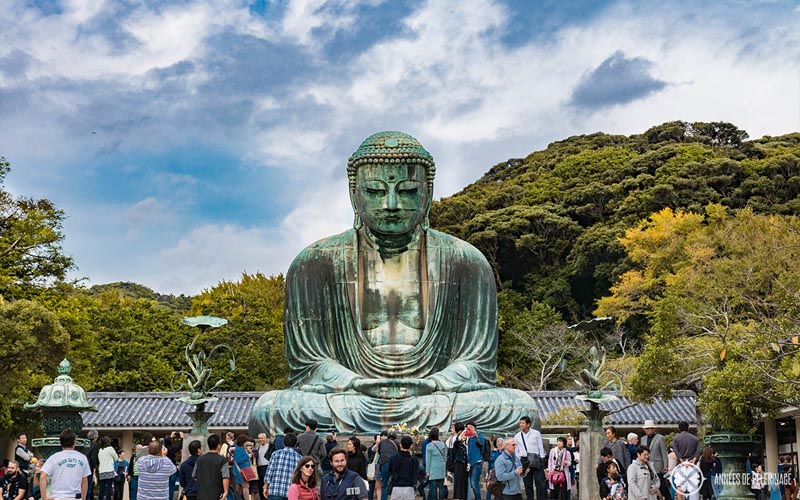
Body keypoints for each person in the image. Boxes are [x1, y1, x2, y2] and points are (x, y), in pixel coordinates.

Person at [247, 131, 539, 434]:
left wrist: (435, 382)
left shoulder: (465, 261)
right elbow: (310, 363)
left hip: (435, 396)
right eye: (374, 190)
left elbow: (476, 361)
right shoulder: (315, 262)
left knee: (516, 407)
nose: (390, 204)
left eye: (407, 191)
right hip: (352, 396)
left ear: (427, 194)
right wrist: (355, 382)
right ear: (353, 194)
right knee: (273, 409)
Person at [40, 429, 91, 500]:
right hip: (75, 496)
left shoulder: (54, 457)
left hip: (57, 497)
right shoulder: (82, 458)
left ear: (60, 442)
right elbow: (84, 480)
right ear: (74, 442)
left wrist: (44, 497)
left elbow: (42, 476)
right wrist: (83, 498)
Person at [514, 416, 546, 500]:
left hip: (536, 459)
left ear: (528, 424)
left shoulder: (536, 433)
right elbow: (516, 451)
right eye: (520, 423)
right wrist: (518, 462)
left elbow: (540, 447)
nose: (521, 424)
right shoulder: (517, 436)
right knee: (527, 484)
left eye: (523, 423)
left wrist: (542, 459)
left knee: (539, 482)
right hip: (524, 460)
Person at [264, 432, 303, 500]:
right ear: (295, 445)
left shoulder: (275, 454)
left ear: (283, 443)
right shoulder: (299, 457)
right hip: (291, 493)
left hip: (274, 491)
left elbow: (269, 472)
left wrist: (265, 486)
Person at [193, 434, 230, 500]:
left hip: (202, 494)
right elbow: (225, 477)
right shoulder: (222, 460)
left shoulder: (199, 459)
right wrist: (225, 491)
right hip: (217, 494)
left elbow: (194, 476)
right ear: (218, 445)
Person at [640, 421, 670, 500]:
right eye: (645, 429)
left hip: (657, 464)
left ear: (653, 429)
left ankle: (668, 497)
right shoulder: (643, 439)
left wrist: (666, 465)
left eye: (648, 428)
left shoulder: (660, 438)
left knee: (661, 483)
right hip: (646, 464)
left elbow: (664, 452)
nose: (647, 430)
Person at [672, 423, 701, 500]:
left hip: (680, 465)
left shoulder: (676, 438)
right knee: (694, 487)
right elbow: (698, 451)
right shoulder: (695, 439)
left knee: (680, 486)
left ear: (679, 429)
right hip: (692, 465)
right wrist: (694, 460)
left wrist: (682, 461)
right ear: (688, 428)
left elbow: (676, 451)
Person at [388, 436, 419, 500]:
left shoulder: (394, 458)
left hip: (396, 487)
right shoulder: (414, 459)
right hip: (409, 487)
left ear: (400, 445)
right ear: (411, 446)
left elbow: (390, 470)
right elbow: (416, 472)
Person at [425, 428, 448, 500]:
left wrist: (427, 471)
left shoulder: (429, 446)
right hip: (441, 467)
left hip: (433, 468)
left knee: (433, 487)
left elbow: (428, 460)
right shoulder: (442, 444)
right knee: (441, 486)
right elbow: (445, 457)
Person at [465, 422, 486, 500]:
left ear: (475, 428)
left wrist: (476, 436)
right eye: (468, 427)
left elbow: (481, 444)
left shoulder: (479, 435)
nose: (469, 428)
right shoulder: (469, 438)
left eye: (471, 427)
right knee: (472, 484)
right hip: (470, 463)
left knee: (474, 483)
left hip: (477, 463)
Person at [449, 423, 469, 500]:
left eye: (465, 436)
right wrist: (459, 438)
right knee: (458, 485)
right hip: (458, 465)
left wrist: (469, 464)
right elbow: (456, 444)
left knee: (464, 484)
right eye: (462, 436)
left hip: (464, 466)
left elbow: (468, 455)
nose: (464, 437)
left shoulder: (466, 445)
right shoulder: (456, 443)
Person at [232, 434, 255, 500]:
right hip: (241, 471)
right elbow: (238, 460)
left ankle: (236, 498)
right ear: (242, 442)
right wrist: (247, 456)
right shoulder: (238, 449)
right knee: (245, 486)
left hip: (242, 471)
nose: (246, 443)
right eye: (245, 442)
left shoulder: (241, 448)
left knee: (239, 487)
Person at [378, 432, 399, 500]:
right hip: (394, 464)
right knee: (395, 483)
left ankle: (384, 498)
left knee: (384, 484)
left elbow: (379, 452)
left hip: (384, 464)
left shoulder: (382, 442)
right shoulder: (397, 443)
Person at [255, 433, 273, 500]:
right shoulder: (258, 447)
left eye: (261, 438)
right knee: (260, 486)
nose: (260, 440)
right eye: (259, 438)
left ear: (265, 438)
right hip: (259, 468)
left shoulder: (270, 447)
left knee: (267, 485)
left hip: (267, 467)